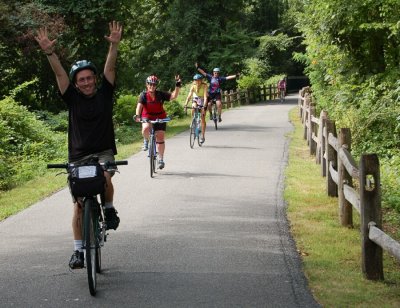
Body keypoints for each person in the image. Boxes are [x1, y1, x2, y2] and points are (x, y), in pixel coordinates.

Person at [35, 21, 123, 269]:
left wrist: (114, 46)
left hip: (104, 151)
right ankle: (78, 252)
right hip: (78, 156)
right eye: (81, 80)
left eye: (89, 78)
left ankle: (109, 208)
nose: (85, 82)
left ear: (95, 78)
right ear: (76, 83)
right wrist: (49, 53)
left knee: (105, 177)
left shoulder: (105, 92)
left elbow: (110, 66)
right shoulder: (72, 98)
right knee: (79, 205)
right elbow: (60, 74)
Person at [134, 74, 181, 169]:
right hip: (147, 117)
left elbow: (173, 96)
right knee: (146, 128)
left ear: (156, 86)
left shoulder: (160, 94)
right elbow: (139, 106)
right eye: (150, 84)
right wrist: (138, 116)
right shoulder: (143, 95)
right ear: (147, 85)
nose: (152, 86)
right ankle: (146, 140)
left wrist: (177, 85)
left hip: (160, 117)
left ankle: (161, 159)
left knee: (160, 138)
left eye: (154, 85)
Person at [184, 74, 208, 144]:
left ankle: (203, 136)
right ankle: (194, 121)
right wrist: (185, 104)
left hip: (203, 99)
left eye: (198, 80)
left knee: (202, 117)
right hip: (196, 98)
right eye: (195, 80)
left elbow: (205, 97)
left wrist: (204, 106)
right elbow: (189, 96)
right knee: (193, 107)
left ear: (201, 80)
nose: (197, 82)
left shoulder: (204, 86)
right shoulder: (193, 86)